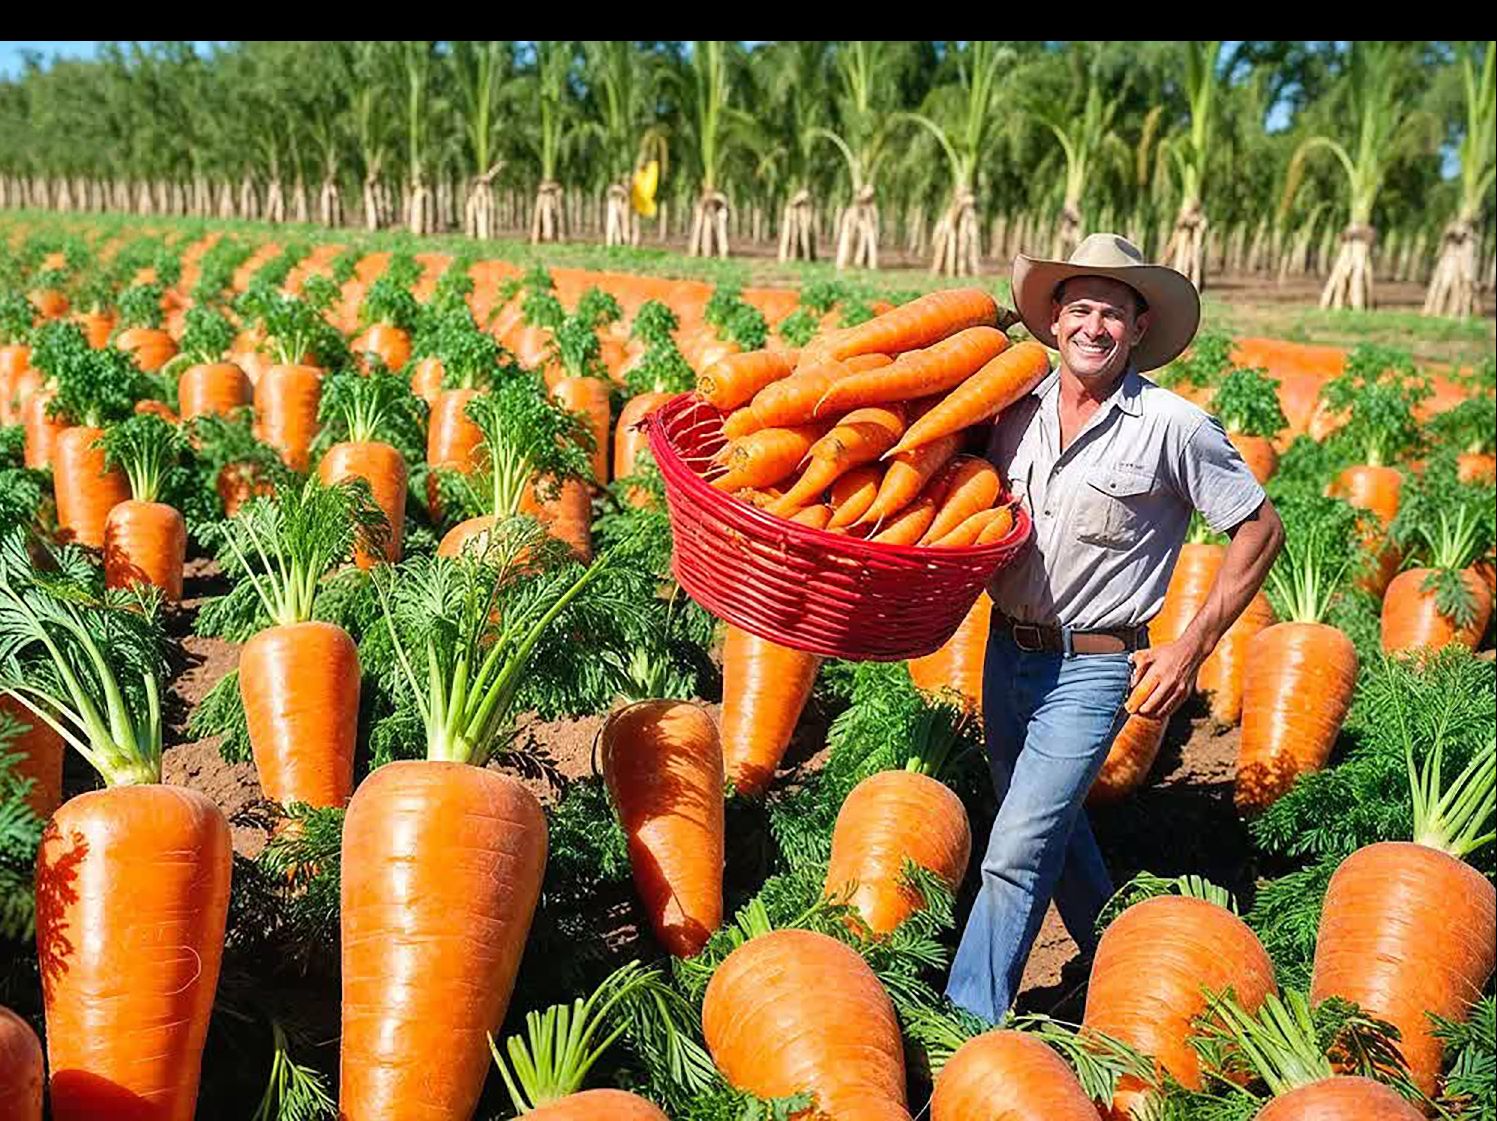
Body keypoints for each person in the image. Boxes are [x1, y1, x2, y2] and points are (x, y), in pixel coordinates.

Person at [944, 233, 1284, 1023]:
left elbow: (1258, 530)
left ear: (1136, 330)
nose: (1093, 327)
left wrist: (1190, 644)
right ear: (1054, 320)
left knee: (1016, 848)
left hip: (1094, 670)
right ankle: (1111, 950)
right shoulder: (1009, 410)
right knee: (1047, 829)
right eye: (1080, 309)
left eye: (1112, 314)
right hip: (1007, 653)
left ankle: (964, 1024)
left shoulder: (1174, 426)